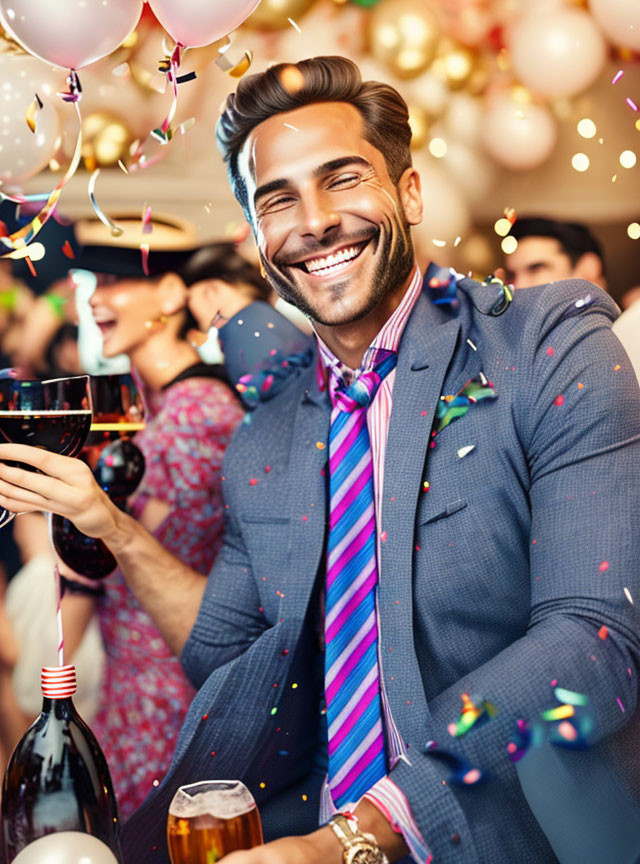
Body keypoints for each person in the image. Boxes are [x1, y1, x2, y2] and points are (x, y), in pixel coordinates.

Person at [0, 56, 639, 864]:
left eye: (343, 179)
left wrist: (351, 839)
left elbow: (597, 640)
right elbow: (227, 653)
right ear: (258, 236)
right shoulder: (266, 432)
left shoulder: (546, 344)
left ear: (409, 193)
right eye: (279, 199)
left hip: (506, 839)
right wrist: (112, 526)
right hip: (295, 828)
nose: (316, 221)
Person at [56, 216, 250, 819]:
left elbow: (120, 550)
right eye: (95, 279)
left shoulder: (198, 411)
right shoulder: (156, 403)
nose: (95, 297)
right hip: (132, 679)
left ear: (170, 295)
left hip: (169, 685)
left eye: (116, 279)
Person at [502, 216, 607, 292]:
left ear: (588, 269)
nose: (518, 286)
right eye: (511, 276)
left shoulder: (622, 322)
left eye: (535, 269)